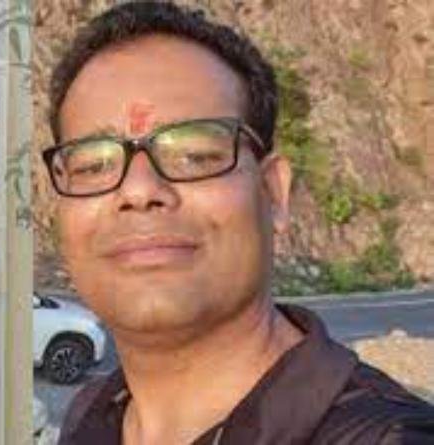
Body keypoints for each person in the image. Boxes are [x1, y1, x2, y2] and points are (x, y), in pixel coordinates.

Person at [41, 2, 434, 444]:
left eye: (194, 155)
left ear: (273, 193)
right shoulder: (94, 416)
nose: (139, 191)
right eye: (93, 165)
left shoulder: (385, 436)